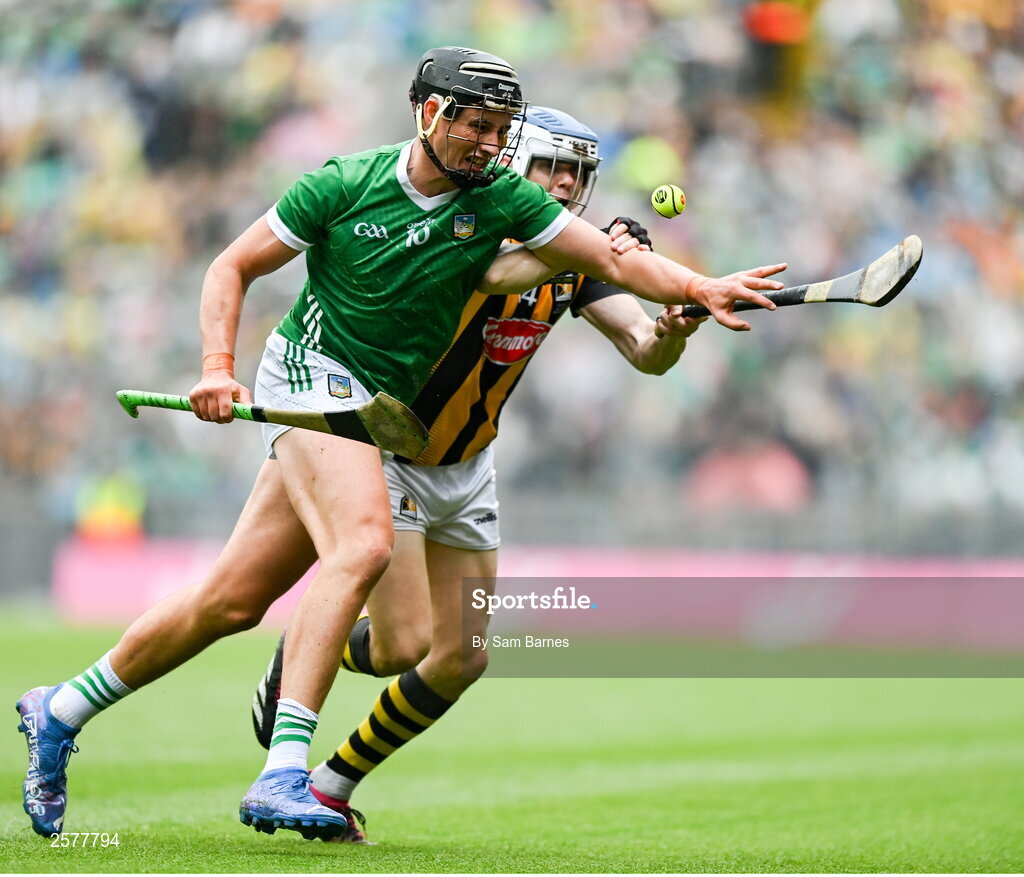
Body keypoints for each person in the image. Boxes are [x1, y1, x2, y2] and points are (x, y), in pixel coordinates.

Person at [17, 46, 785, 842]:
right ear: (429, 114)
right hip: (332, 391)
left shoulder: (508, 205)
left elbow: (606, 281)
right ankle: (285, 771)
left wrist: (692, 294)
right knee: (361, 547)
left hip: (435, 445)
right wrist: (218, 367)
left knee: (242, 603)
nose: (493, 148)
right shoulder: (351, 185)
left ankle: (61, 706)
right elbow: (237, 265)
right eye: (481, 130)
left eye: (502, 132)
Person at [248, 104, 707, 843]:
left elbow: (644, 350)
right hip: (393, 448)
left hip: (468, 464)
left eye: (575, 173)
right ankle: (309, 647)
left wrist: (671, 322)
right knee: (400, 645)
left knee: (463, 655)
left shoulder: (574, 260)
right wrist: (617, 257)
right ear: (508, 164)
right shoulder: (463, 229)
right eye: (548, 167)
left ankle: (332, 786)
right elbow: (500, 272)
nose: (561, 185)